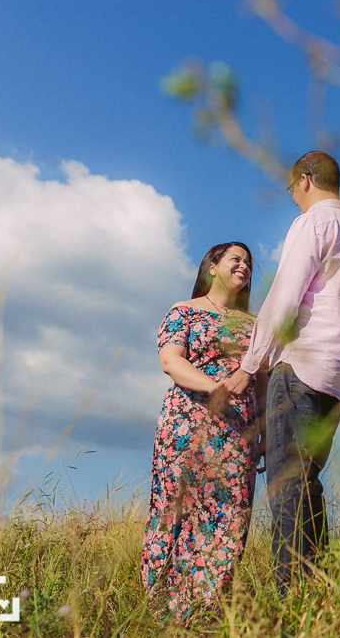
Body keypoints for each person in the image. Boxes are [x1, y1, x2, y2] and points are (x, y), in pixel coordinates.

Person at [224, 150, 340, 592]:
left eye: (293, 188)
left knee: (286, 486)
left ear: (306, 179)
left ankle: (291, 600)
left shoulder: (313, 223)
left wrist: (250, 364)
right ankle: (320, 592)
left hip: (301, 368)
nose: (293, 197)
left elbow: (285, 298)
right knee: (307, 481)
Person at [141, 242, 267, 621]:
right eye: (235, 259)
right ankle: (162, 615)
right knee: (176, 512)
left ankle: (204, 614)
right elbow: (170, 361)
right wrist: (216, 388)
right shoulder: (185, 311)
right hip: (187, 424)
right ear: (212, 266)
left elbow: (261, 383)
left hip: (238, 432)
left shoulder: (256, 325)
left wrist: (261, 434)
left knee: (229, 518)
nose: (244, 266)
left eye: (248, 263)